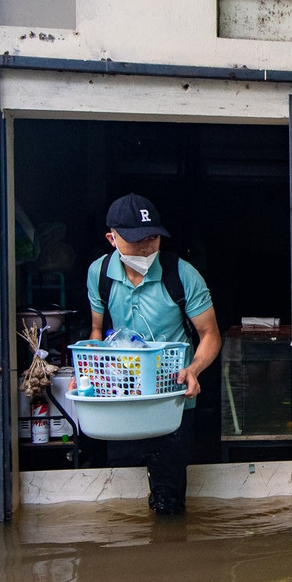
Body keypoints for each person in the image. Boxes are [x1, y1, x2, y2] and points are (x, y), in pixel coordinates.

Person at [84, 193, 221, 515]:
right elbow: (95, 331)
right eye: (136, 240)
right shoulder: (99, 273)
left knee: (169, 499)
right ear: (112, 238)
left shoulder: (181, 274)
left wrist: (195, 369)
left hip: (171, 396)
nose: (146, 247)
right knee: (119, 501)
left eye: (153, 238)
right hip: (120, 395)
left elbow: (210, 334)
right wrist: (88, 374)